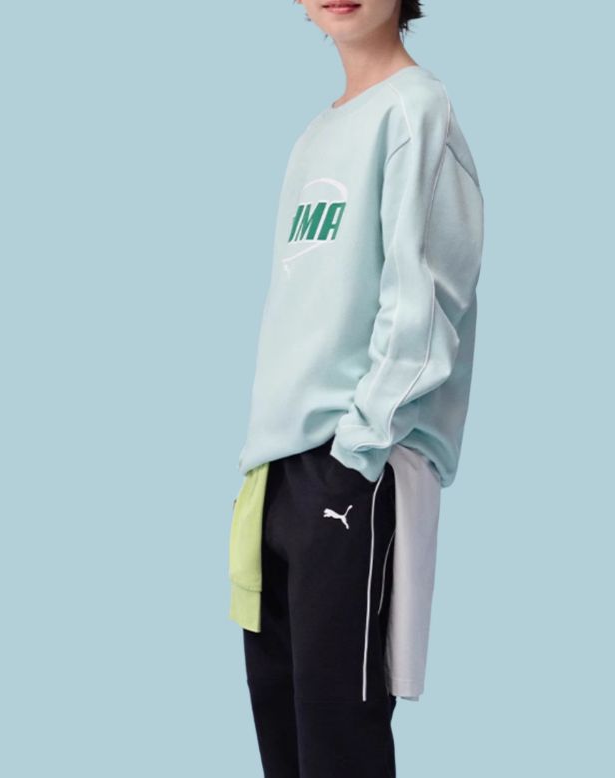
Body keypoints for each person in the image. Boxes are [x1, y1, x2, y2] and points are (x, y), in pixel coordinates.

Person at [227, 1, 484, 775]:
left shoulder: (417, 110)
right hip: (273, 474)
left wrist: (355, 457)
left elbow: (425, 308)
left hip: (351, 472)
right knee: (283, 733)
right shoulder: (313, 137)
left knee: (340, 738)